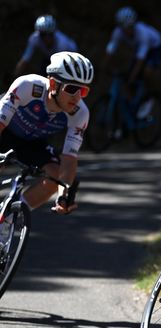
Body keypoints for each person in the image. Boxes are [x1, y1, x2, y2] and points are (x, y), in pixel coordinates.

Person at [0, 52, 93, 214]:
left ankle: (7, 218)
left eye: (83, 91)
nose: (78, 97)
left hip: (32, 141)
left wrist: (63, 195)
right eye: (72, 88)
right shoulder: (27, 86)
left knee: (56, 177)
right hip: (5, 130)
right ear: (53, 84)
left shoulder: (80, 113)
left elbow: (69, 159)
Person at [104, 6, 161, 89]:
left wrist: (132, 78)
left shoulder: (142, 34)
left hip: (155, 46)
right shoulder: (117, 32)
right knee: (129, 75)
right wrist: (105, 66)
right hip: (140, 46)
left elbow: (140, 60)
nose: (129, 30)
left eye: (131, 26)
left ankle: (151, 94)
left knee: (147, 71)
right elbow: (110, 49)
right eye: (126, 28)